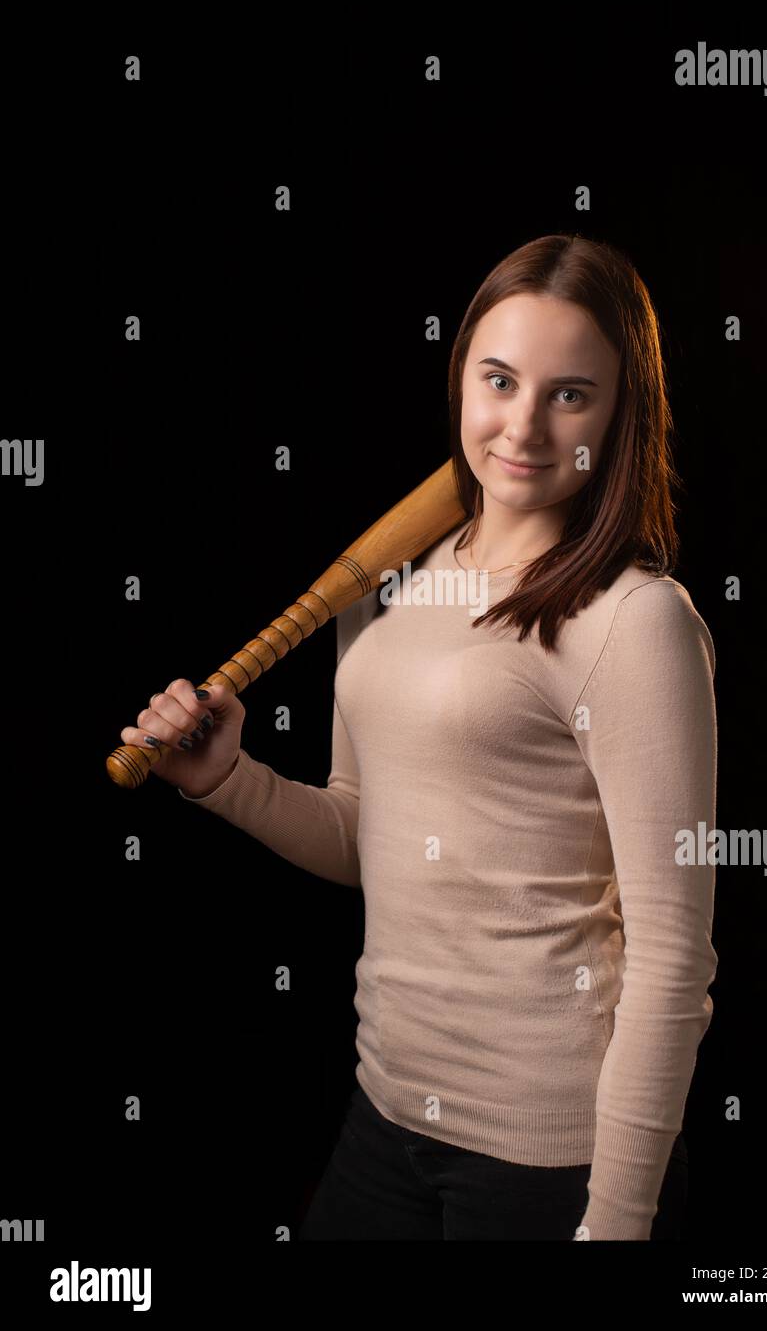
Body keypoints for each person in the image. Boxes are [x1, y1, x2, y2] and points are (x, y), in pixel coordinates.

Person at [119, 232, 718, 1241]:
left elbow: (671, 959)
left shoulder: (636, 620)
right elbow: (367, 837)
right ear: (462, 378)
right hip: (385, 1112)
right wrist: (229, 780)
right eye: (500, 379)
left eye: (571, 394)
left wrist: (614, 1223)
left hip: (550, 1156)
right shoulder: (392, 571)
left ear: (621, 414)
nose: (523, 424)